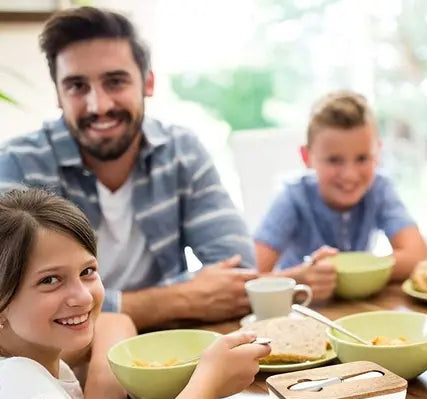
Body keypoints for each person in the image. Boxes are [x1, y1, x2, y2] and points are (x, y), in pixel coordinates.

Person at [0, 188, 270, 399]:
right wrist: (207, 381)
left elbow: (114, 320)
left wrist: (104, 374)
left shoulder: (35, 349)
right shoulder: (15, 380)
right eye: (50, 281)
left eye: (87, 272)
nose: (84, 297)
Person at [0, 7, 257, 331]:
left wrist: (120, 308)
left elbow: (236, 271)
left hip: (163, 347)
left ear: (147, 83)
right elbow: (11, 296)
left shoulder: (181, 151)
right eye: (77, 86)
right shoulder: (20, 162)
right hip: (61, 361)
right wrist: (179, 300)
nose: (100, 106)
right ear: (58, 95)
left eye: (115, 81)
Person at [254, 91, 427, 299]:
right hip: (302, 310)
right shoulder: (292, 198)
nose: (350, 175)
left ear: (378, 153)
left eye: (362, 158)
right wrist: (299, 280)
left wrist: (362, 268)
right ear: (307, 157)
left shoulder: (379, 188)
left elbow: (418, 256)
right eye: (334, 160)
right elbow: (250, 277)